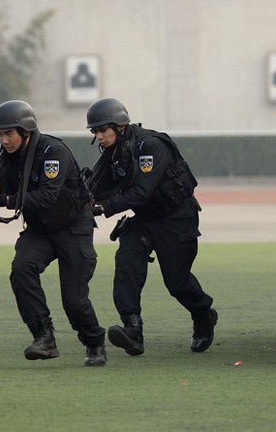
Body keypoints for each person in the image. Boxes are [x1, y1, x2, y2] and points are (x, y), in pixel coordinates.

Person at [84, 98, 217, 356]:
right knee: (126, 264)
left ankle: (203, 314)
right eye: (95, 131)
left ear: (119, 126)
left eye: (103, 130)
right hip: (144, 220)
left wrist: (103, 208)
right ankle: (132, 330)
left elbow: (141, 192)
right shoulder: (111, 152)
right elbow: (97, 187)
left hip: (176, 218)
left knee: (177, 282)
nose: (99, 136)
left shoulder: (151, 146)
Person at [0, 100, 107, 366]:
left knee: (73, 300)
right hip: (41, 230)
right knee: (22, 269)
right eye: (0, 135)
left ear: (25, 131)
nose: (4, 140)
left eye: (9, 134)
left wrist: (4, 200)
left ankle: (94, 341)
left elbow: (47, 196)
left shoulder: (52, 152)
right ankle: (44, 338)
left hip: (72, 227)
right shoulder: (7, 158)